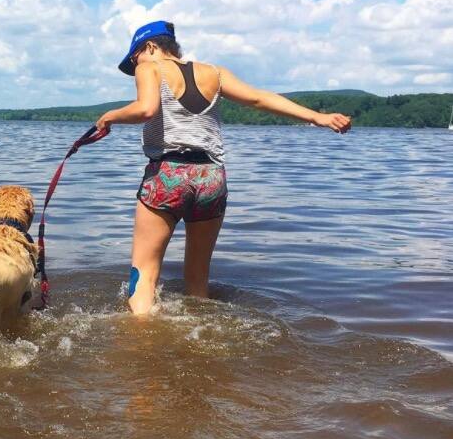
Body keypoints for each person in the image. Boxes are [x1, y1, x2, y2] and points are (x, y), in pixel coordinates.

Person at [95, 20, 351, 314]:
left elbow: (146, 109)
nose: (135, 65)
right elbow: (259, 98)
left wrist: (108, 117)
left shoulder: (149, 67)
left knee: (144, 274)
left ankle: (140, 344)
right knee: (198, 279)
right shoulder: (214, 73)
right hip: (211, 178)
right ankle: (201, 331)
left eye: (135, 57)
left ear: (150, 47)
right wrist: (317, 117)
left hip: (168, 175)